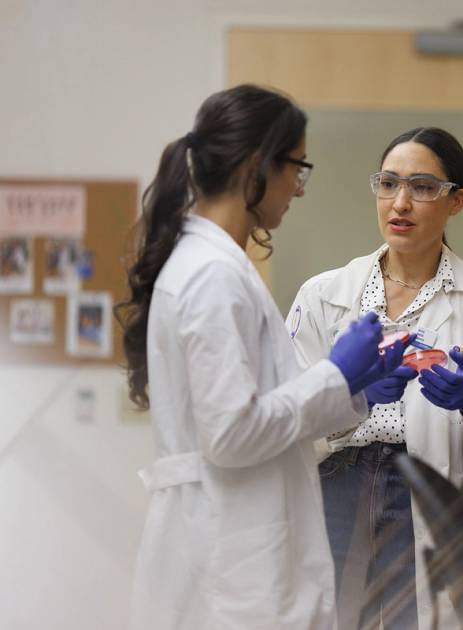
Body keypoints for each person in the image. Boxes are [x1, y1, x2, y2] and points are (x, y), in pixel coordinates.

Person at [116, 84, 408, 630]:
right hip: (228, 567)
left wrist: (359, 387)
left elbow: (263, 411)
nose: (298, 190)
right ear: (257, 166)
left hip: (230, 556)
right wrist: (336, 372)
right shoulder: (211, 276)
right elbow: (230, 435)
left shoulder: (215, 266)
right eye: (297, 169)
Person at [287, 127, 463, 629]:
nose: (400, 202)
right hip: (337, 486)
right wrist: (348, 397)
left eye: (422, 187)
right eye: (388, 183)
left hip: (426, 492)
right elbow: (289, 423)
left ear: (456, 200)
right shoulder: (324, 294)